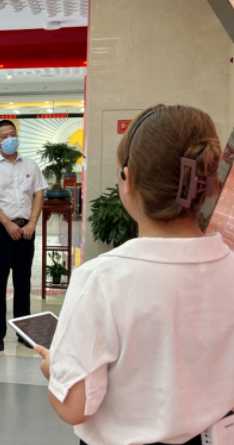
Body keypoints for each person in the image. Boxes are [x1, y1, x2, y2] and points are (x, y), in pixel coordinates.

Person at [36, 105, 234, 445]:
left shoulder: (101, 279)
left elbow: (74, 407)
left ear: (126, 180)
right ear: (212, 185)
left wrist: (53, 366)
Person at [0, 119, 48, 351]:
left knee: (23, 281)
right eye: (4, 136)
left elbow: (39, 194)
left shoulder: (30, 165)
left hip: (26, 229)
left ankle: (24, 332)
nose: (10, 139)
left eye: (13, 134)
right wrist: (7, 223)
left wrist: (32, 222)